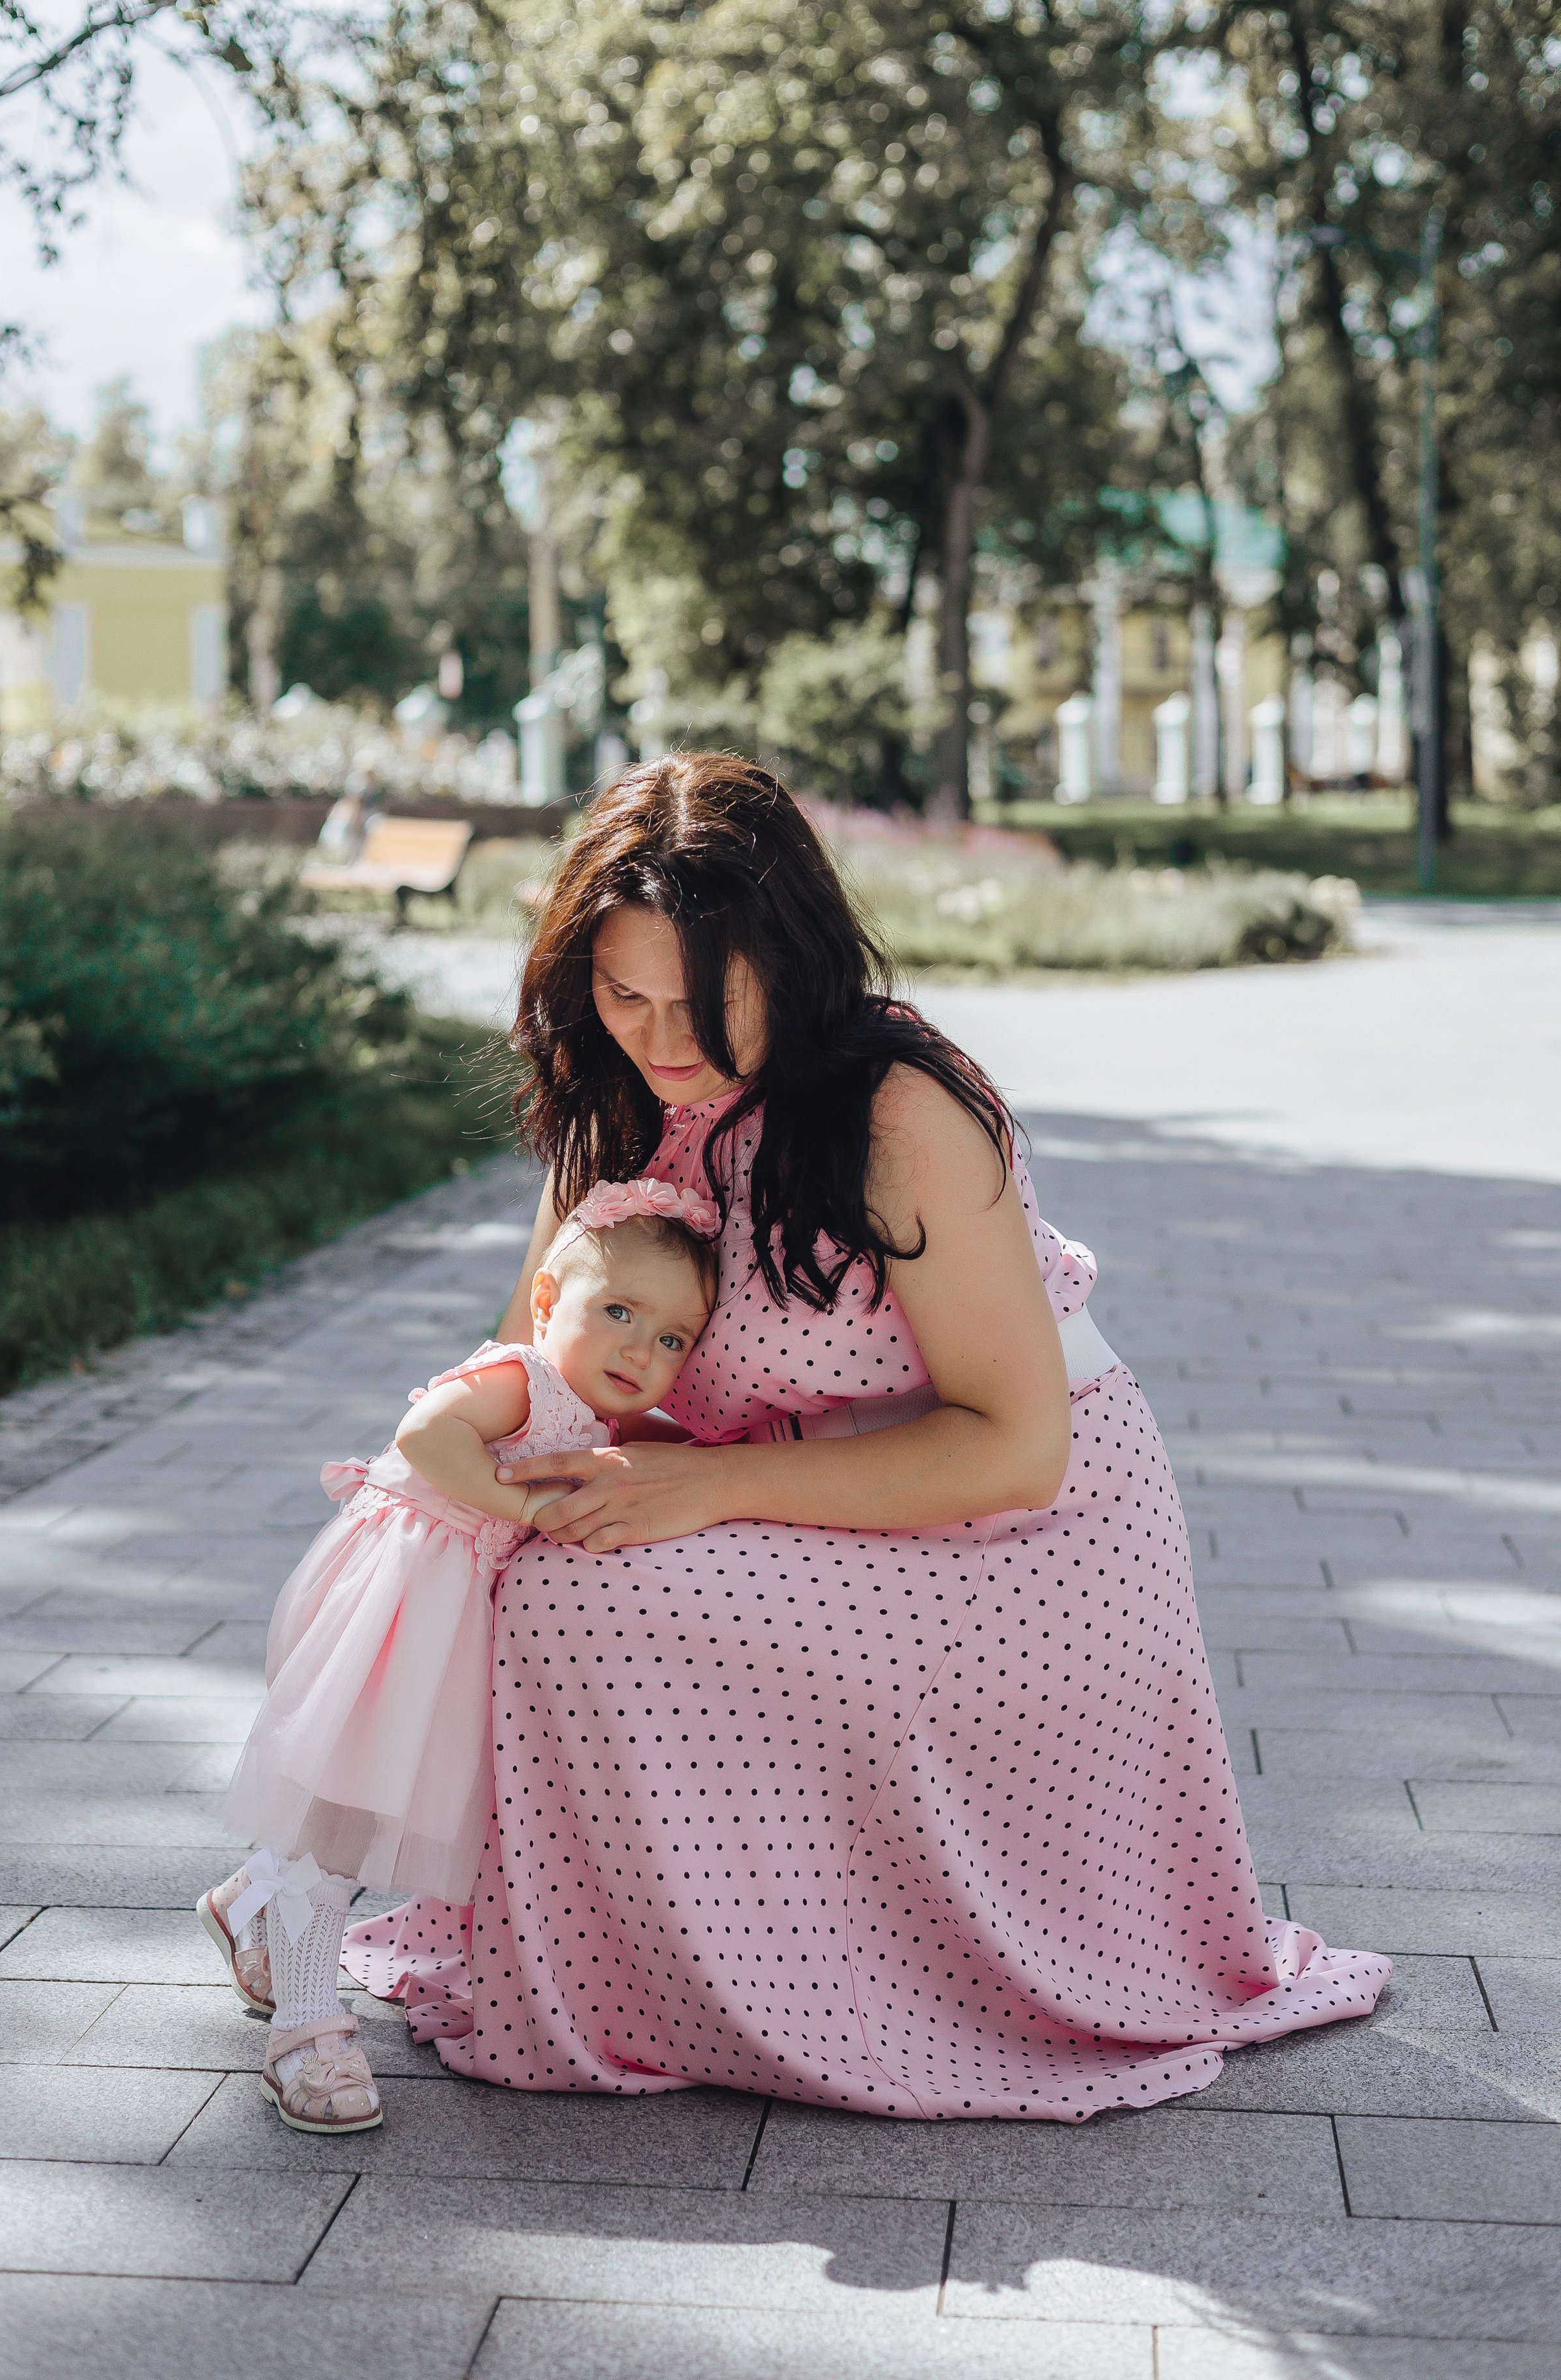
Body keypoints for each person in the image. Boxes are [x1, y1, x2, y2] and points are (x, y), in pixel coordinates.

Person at [343, 752, 1391, 2122]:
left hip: (1021, 1543)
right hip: (778, 1500)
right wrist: (458, 1458)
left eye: (702, 1001)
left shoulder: (903, 1112)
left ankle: (703, 1989)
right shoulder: (618, 1100)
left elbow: (1014, 1447)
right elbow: (539, 1364)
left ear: (788, 962)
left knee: (579, 1602)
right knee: (493, 1546)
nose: (662, 1038)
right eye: (621, 991)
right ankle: (327, 1885)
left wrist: (702, 1495)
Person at [195, 1181, 719, 2132]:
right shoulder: (521, 1378)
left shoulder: (596, 1402)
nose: (644, 1351)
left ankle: (254, 1900)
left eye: (675, 1339)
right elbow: (424, 1430)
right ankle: (308, 2026)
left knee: (363, 1800)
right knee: (349, 1809)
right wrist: (518, 1506)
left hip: (450, 1618)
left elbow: (666, 1442)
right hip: (399, 1604)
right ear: (550, 1304)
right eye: (620, 1314)